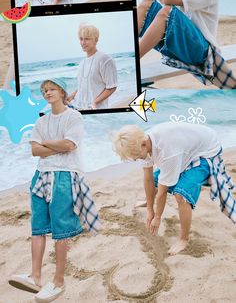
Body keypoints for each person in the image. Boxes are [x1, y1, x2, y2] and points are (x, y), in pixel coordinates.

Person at [9, 78, 101, 302]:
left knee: (61, 230)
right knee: (37, 228)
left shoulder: (74, 117)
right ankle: (35, 276)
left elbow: (70, 146)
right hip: (41, 176)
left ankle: (58, 282)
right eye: (44, 90)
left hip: (65, 175)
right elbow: (35, 151)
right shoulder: (41, 121)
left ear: (62, 92)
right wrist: (56, 145)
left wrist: (48, 145)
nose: (47, 92)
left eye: (51, 89)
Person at [112, 122, 236, 255]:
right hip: (185, 149)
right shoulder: (142, 143)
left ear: (143, 144)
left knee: (181, 195)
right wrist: (149, 209)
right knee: (155, 180)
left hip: (206, 152)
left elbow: (162, 192)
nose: (135, 158)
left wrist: (157, 217)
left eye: (135, 155)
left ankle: (184, 239)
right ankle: (148, 203)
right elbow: (148, 179)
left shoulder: (167, 151)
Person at [138, 0, 236, 88]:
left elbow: (170, 0)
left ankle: (135, 59)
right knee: (146, 4)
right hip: (183, 43)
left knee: (166, 12)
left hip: (201, 50)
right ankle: (132, 54)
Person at [68, 23, 118, 110]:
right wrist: (72, 96)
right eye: (81, 39)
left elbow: (112, 86)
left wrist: (95, 102)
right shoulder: (82, 63)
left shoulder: (105, 59)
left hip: (96, 109)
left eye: (87, 39)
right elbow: (84, 85)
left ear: (96, 40)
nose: (83, 42)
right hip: (77, 107)